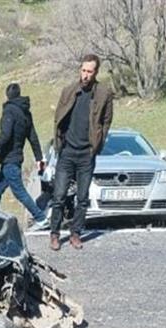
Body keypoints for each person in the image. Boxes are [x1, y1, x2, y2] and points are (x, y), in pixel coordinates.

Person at [49, 53, 114, 250]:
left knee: (83, 197)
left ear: (96, 72)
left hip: (87, 154)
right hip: (67, 151)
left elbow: (106, 120)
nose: (85, 75)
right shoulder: (69, 91)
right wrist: (59, 144)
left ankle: (76, 233)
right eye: (83, 70)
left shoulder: (104, 93)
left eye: (89, 71)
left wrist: (98, 143)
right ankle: (54, 234)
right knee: (59, 195)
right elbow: (58, 118)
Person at [0, 83, 49, 230]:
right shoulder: (26, 112)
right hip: (16, 158)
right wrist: (39, 158)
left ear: (7, 95)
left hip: (10, 159)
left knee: (19, 191)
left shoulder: (9, 111)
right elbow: (33, 137)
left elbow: (5, 135)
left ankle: (41, 218)